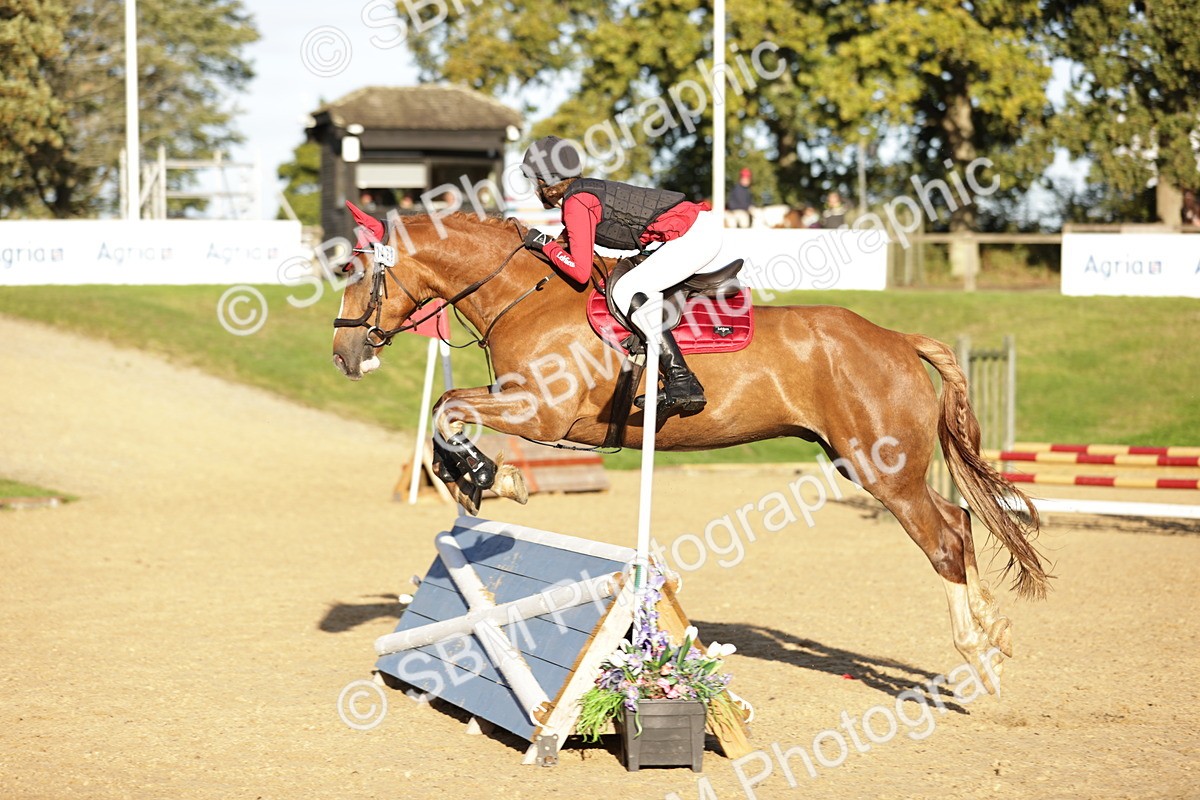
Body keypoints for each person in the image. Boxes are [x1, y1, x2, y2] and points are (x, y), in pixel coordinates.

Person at [519, 135, 719, 417]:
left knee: (626, 291)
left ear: (546, 182)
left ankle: (682, 380)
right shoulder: (581, 194)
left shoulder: (578, 202)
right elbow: (568, 246)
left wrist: (544, 244)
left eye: (535, 181)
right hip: (695, 231)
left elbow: (580, 271)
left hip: (695, 236)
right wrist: (546, 246)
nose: (534, 188)